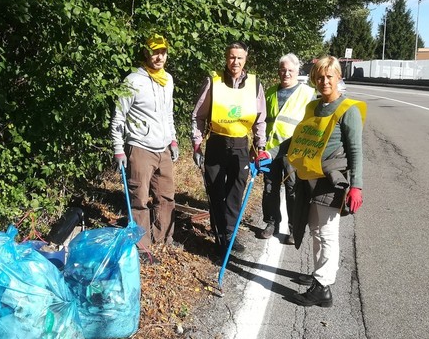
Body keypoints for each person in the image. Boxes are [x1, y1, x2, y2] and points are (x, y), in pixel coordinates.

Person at [284, 56, 366, 307]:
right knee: (316, 230)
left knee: (328, 232)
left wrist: (357, 186)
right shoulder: (313, 107)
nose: (324, 81)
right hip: (310, 177)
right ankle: (319, 276)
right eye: (320, 77)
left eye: (329, 76)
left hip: (333, 179)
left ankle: (323, 287)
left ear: (339, 78)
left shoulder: (347, 110)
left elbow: (355, 150)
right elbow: (301, 139)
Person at [191, 41, 268, 253]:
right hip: (217, 142)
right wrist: (197, 144)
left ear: (246, 59)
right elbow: (198, 115)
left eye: (240, 58)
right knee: (215, 191)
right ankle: (219, 237)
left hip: (242, 145)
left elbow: (260, 119)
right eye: (232, 57)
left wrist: (260, 147)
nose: (235, 62)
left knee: (235, 192)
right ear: (226, 58)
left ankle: (229, 234)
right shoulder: (213, 82)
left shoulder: (255, 84)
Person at [110, 33, 179, 259]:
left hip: (163, 149)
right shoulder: (132, 81)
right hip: (139, 147)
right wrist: (118, 149)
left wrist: (173, 139)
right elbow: (119, 117)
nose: (158, 57)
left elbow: (168, 113)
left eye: (162, 52)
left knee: (166, 196)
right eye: (154, 51)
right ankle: (142, 247)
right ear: (146, 53)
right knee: (139, 199)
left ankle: (164, 238)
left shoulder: (167, 79)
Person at [260, 53, 316, 244]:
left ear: (297, 71)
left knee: (293, 190)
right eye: (283, 70)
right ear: (278, 71)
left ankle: (294, 228)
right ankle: (272, 223)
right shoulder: (269, 93)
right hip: (270, 149)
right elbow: (261, 122)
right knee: (269, 189)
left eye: (290, 70)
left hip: (294, 151)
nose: (286, 74)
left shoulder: (308, 94)